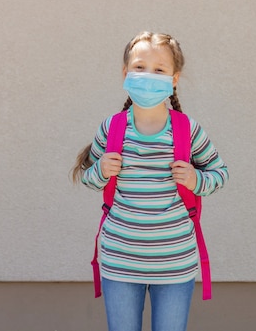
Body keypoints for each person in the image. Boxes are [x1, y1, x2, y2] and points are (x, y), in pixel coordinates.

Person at [72, 31, 229, 331]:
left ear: (174, 79)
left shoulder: (188, 130)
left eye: (159, 70)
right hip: (120, 262)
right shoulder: (112, 127)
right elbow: (88, 177)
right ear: (125, 73)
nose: (148, 76)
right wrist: (102, 171)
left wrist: (196, 179)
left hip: (174, 265)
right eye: (140, 67)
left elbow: (219, 173)